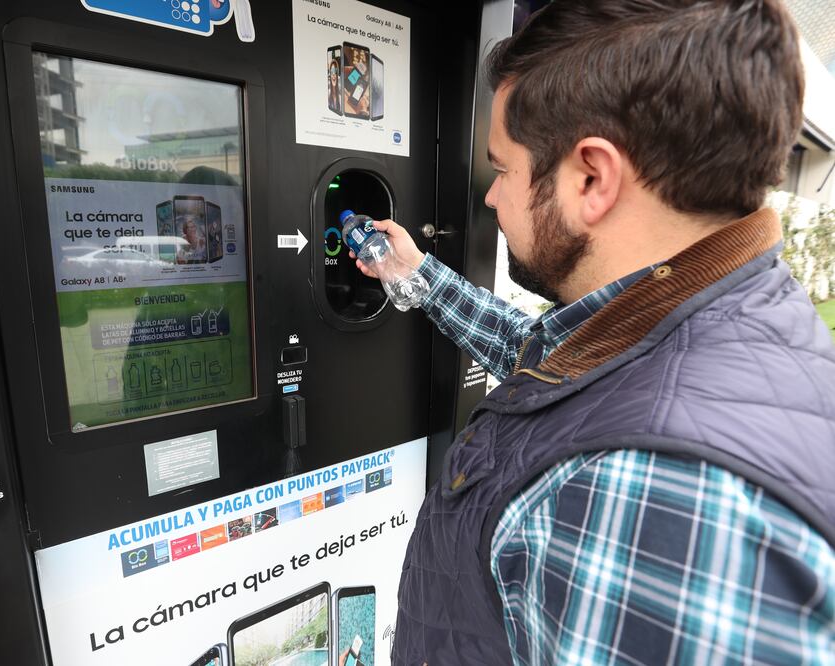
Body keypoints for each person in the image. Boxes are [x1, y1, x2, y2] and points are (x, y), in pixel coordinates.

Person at [350, 1, 835, 663]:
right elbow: (553, 371)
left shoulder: (647, 490)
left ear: (592, 178)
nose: (490, 198)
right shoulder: (727, 315)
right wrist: (420, 277)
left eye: (502, 169)